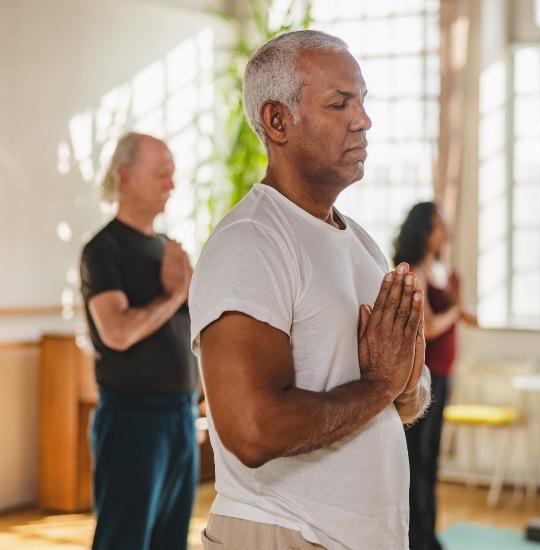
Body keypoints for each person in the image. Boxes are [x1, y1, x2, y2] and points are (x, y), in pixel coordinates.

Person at [188, 30, 432, 550]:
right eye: (340, 103)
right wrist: (379, 385)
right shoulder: (252, 241)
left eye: (362, 100)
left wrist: (405, 378)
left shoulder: (362, 243)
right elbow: (252, 430)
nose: (363, 119)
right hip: (281, 533)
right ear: (278, 121)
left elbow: (399, 405)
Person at [80, 132, 198, 550]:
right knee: (123, 540)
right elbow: (118, 332)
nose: (171, 184)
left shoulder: (170, 251)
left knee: (172, 542)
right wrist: (174, 296)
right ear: (126, 178)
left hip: (181, 415)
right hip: (133, 419)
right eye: (161, 174)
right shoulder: (102, 249)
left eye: (172, 174)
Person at [393, 202, 477, 550]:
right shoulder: (416, 271)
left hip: (443, 376)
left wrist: (458, 299)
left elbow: (471, 317)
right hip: (422, 380)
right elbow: (426, 327)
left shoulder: (438, 270)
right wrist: (456, 308)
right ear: (425, 231)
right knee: (418, 460)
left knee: (432, 460)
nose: (446, 233)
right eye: (440, 226)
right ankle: (416, 538)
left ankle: (429, 534)